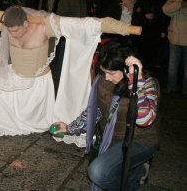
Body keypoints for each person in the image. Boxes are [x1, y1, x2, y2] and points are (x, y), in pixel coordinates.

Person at [0, 4, 140, 138]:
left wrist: (126, 28)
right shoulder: (6, 20)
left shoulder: (45, 26)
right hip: (13, 73)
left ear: (26, 23)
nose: (12, 34)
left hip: (37, 80)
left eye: (16, 30)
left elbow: (85, 24)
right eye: (8, 30)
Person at [52, 40, 160, 190]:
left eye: (112, 73)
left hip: (139, 141)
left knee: (98, 172)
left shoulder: (147, 85)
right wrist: (70, 128)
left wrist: (136, 82)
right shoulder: (103, 81)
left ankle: (135, 172)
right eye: (104, 71)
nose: (107, 77)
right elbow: (95, 110)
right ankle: (136, 171)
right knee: (114, 175)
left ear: (126, 69)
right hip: (112, 140)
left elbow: (145, 120)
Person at [132, 0, 167, 71]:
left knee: (152, 52)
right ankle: (141, 71)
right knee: (142, 51)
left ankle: (149, 73)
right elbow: (136, 10)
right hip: (143, 28)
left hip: (155, 29)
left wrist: (163, 29)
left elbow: (164, 14)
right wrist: (144, 15)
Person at [162, 0, 187, 97]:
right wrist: (181, 5)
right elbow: (165, 9)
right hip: (174, 37)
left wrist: (177, 9)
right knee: (172, 66)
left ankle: (185, 90)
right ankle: (171, 87)